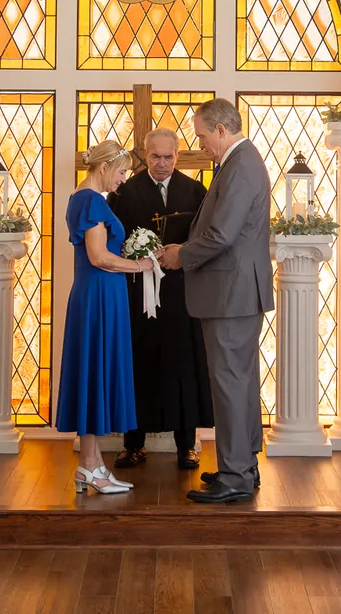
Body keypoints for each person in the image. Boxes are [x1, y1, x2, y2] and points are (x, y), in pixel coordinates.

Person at [158, 98, 273, 504]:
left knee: (229, 383)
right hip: (234, 291)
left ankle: (236, 474)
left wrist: (180, 255)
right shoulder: (239, 163)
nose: (201, 144)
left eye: (203, 136)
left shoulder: (241, 166)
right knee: (237, 382)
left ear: (222, 130)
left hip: (231, 292)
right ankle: (244, 465)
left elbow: (222, 235)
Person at [108, 128, 214, 471]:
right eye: (155, 157)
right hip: (138, 292)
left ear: (178, 156)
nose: (162, 163)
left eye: (169, 157)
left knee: (184, 363)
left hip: (182, 291)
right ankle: (133, 444)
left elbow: (205, 237)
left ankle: (187, 445)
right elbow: (114, 238)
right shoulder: (127, 191)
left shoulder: (195, 191)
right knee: (138, 363)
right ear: (145, 154)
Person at [55, 139, 156, 494]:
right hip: (98, 294)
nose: (123, 179)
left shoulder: (84, 199)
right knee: (95, 373)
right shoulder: (90, 200)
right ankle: (88, 465)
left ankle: (93, 465)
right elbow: (99, 257)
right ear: (103, 168)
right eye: (122, 172)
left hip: (101, 295)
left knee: (95, 374)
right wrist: (141, 265)